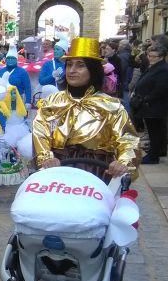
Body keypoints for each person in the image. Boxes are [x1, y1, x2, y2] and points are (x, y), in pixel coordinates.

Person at [33, 37, 140, 177]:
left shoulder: (111, 106)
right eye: (69, 65)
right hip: (57, 172)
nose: (72, 70)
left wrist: (123, 163)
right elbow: (40, 134)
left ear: (93, 70)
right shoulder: (51, 103)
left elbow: (128, 141)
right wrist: (46, 158)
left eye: (80, 65)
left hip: (97, 173)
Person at [132, 38, 168, 164]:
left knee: (155, 132)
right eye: (149, 55)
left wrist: (146, 99)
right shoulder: (154, 66)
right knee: (154, 131)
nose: (150, 58)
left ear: (162, 57)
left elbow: (161, 89)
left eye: (154, 56)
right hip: (149, 106)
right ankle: (155, 152)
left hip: (154, 106)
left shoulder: (163, 69)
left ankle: (153, 156)